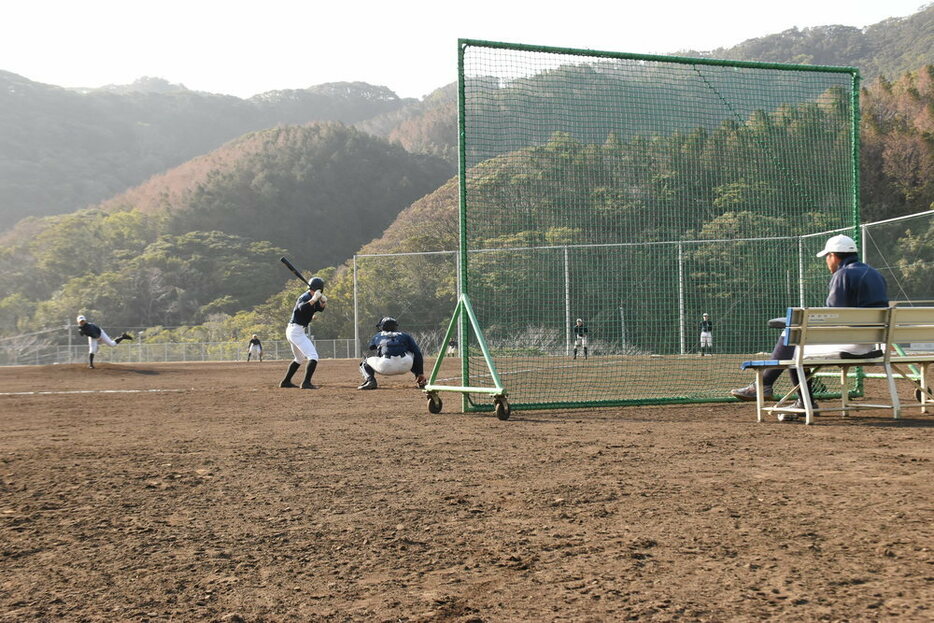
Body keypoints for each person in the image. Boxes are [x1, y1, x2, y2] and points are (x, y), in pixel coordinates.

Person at [730, 234, 888, 415]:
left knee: (794, 338)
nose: (827, 263)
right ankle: (766, 385)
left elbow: (833, 316)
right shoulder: (876, 274)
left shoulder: (842, 274)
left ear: (833, 256)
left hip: (851, 346)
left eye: (827, 258)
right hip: (872, 345)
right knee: (795, 336)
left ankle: (789, 395)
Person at [280, 276, 326, 389]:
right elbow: (301, 308)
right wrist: (314, 300)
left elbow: (318, 309)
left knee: (299, 358)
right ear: (320, 288)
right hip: (296, 331)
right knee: (313, 356)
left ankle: (285, 382)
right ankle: (306, 383)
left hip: (294, 331)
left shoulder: (312, 296)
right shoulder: (306, 297)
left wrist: (323, 302)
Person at [358, 317, 427, 390]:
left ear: (382, 326)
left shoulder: (378, 335)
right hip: (405, 365)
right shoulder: (405, 335)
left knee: (365, 362)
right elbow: (418, 353)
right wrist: (420, 373)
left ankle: (370, 381)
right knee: (413, 353)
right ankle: (420, 380)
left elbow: (371, 347)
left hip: (385, 367)